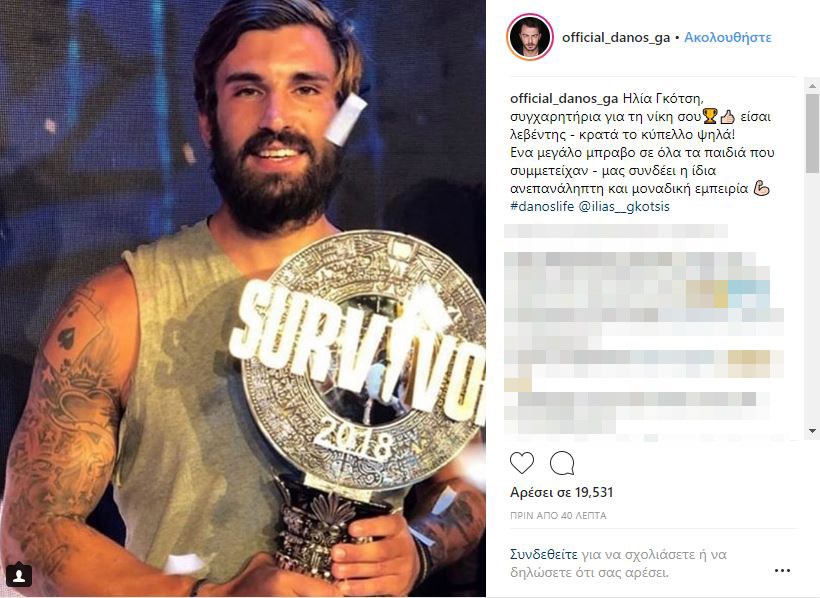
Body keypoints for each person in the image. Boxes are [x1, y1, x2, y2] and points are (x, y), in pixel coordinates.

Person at [0, 0, 486, 596]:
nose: (276, 116)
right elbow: (22, 546)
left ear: (339, 114)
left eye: (305, 89)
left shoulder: (411, 302)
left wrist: (420, 546)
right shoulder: (120, 308)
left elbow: (471, 480)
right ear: (208, 119)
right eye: (248, 90)